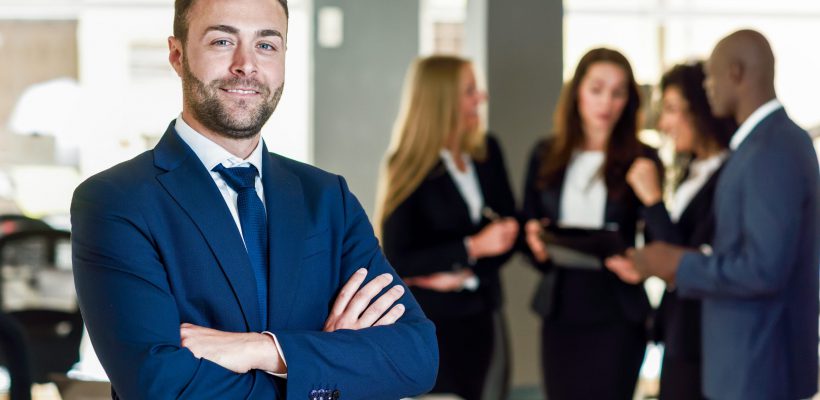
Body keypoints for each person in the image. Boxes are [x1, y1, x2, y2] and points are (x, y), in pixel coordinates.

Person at [70, 0, 438, 398]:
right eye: (223, 41)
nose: (246, 65)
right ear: (177, 55)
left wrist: (264, 350)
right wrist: (325, 363)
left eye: (266, 45)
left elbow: (416, 357)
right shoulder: (115, 202)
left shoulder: (328, 198)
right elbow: (161, 388)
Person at [609, 29, 819, 399]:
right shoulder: (762, 145)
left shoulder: (772, 149)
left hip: (758, 366)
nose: (708, 87)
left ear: (735, 73)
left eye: (710, 76)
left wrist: (675, 263)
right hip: (744, 362)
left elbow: (763, 269)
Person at [521, 47, 661, 400]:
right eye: (596, 89)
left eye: (618, 92)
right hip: (562, 309)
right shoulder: (545, 154)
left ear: (629, 100)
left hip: (617, 312)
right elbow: (528, 232)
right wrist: (535, 244)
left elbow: (660, 240)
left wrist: (640, 261)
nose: (606, 103)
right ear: (577, 92)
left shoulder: (643, 158)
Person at [376, 55, 518, 400]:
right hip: (432, 322)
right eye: (470, 91)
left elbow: (509, 233)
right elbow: (397, 258)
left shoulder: (487, 153)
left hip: (484, 313)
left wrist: (463, 273)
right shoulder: (407, 166)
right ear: (443, 101)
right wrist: (471, 249)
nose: (481, 98)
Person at [606, 61, 736, 400]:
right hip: (678, 331)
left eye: (672, 110)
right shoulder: (694, 169)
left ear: (702, 108)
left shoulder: (730, 176)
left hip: (703, 336)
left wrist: (652, 200)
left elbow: (685, 261)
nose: (663, 124)